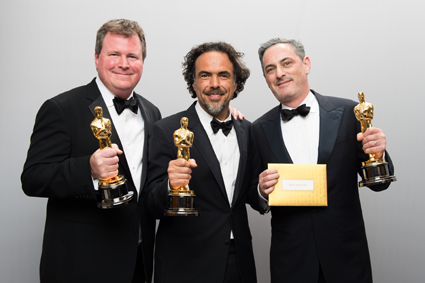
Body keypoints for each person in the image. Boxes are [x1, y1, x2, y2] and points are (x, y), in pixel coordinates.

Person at [21, 19, 161, 283]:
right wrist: (89, 170)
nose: (124, 63)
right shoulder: (61, 108)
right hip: (81, 266)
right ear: (97, 58)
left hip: (137, 263)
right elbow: (32, 178)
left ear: (142, 61)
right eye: (114, 55)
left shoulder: (152, 112)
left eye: (133, 56)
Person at [251, 38, 395, 283]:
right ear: (265, 78)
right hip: (291, 263)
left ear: (306, 64)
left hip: (346, 257)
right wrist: (261, 191)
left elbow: (380, 183)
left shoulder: (349, 113)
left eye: (286, 63)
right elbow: (254, 198)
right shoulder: (257, 129)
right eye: (270, 69)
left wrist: (378, 154)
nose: (279, 73)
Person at [144, 42, 261, 283]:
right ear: (194, 83)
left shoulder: (248, 131)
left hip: (239, 263)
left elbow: (248, 194)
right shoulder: (166, 131)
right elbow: (148, 204)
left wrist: (262, 190)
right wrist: (170, 186)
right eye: (205, 75)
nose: (215, 84)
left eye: (223, 75)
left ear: (235, 83)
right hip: (185, 265)